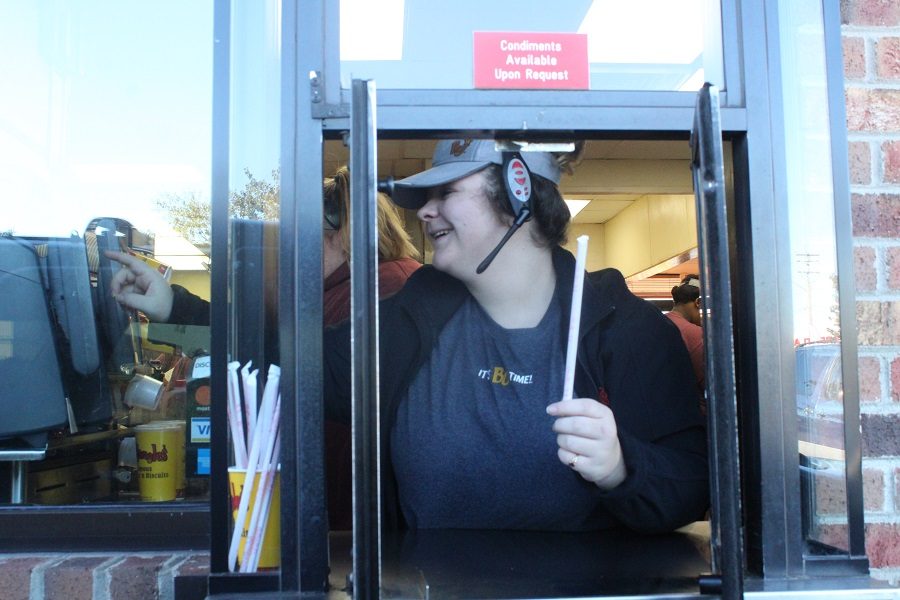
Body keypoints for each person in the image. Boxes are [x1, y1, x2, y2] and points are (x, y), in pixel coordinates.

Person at [323, 139, 709, 533]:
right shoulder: (409, 318)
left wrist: (620, 467)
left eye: (447, 192)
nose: (425, 210)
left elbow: (692, 486)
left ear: (518, 197)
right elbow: (301, 373)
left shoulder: (625, 330)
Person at [107, 166, 421, 530]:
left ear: (344, 234)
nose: (287, 253)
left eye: (299, 238)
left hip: (354, 525)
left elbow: (285, 357)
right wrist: (173, 306)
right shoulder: (336, 291)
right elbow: (260, 338)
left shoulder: (385, 289)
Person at [666, 275, 706, 414]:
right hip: (693, 415)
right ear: (698, 302)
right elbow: (710, 383)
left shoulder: (655, 324)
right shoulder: (694, 333)